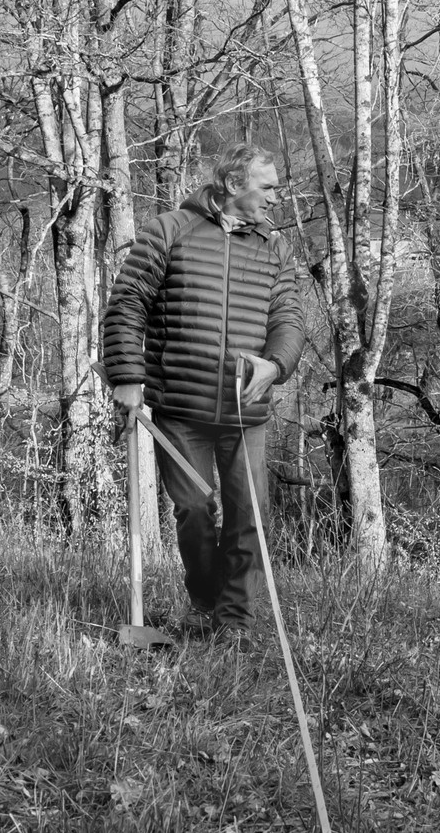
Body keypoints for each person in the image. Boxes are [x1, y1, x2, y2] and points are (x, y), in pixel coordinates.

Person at [101, 142, 306, 646]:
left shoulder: (274, 249)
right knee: (194, 509)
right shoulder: (169, 231)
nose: (277, 198)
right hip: (179, 406)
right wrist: (126, 377)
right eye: (269, 187)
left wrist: (276, 363)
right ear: (234, 185)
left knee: (249, 513)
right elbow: (128, 304)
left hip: (245, 410)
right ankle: (204, 603)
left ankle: (234, 620)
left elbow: (290, 317)